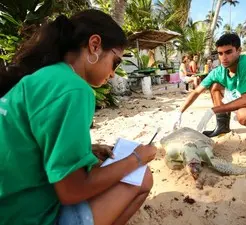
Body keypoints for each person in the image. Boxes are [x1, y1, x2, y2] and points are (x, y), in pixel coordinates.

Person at [0, 9, 157, 225]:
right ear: (94, 45)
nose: (113, 73)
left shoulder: (44, 76)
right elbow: (72, 191)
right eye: (115, 62)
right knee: (143, 177)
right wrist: (136, 159)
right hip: (29, 217)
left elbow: (28, 144)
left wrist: (87, 149)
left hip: (9, 207)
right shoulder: (74, 89)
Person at [173, 33, 246, 143]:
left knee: (243, 115)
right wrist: (180, 112)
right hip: (244, 103)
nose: (224, 57)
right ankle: (222, 126)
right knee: (215, 86)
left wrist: (213, 110)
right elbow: (196, 91)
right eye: (220, 53)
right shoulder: (219, 71)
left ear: (239, 51)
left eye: (228, 52)